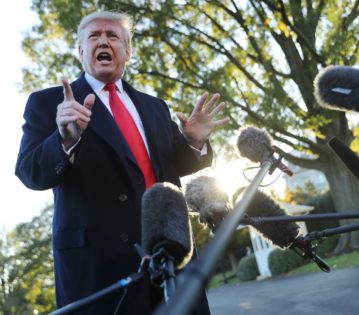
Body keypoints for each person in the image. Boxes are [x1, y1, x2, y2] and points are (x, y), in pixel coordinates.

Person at [15, 10, 228, 315]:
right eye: (94, 36)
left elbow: (172, 167)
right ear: (80, 51)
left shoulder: (155, 107)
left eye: (113, 36)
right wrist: (64, 141)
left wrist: (193, 141)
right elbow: (30, 173)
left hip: (170, 255)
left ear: (128, 51)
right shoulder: (49, 103)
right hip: (99, 267)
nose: (104, 41)